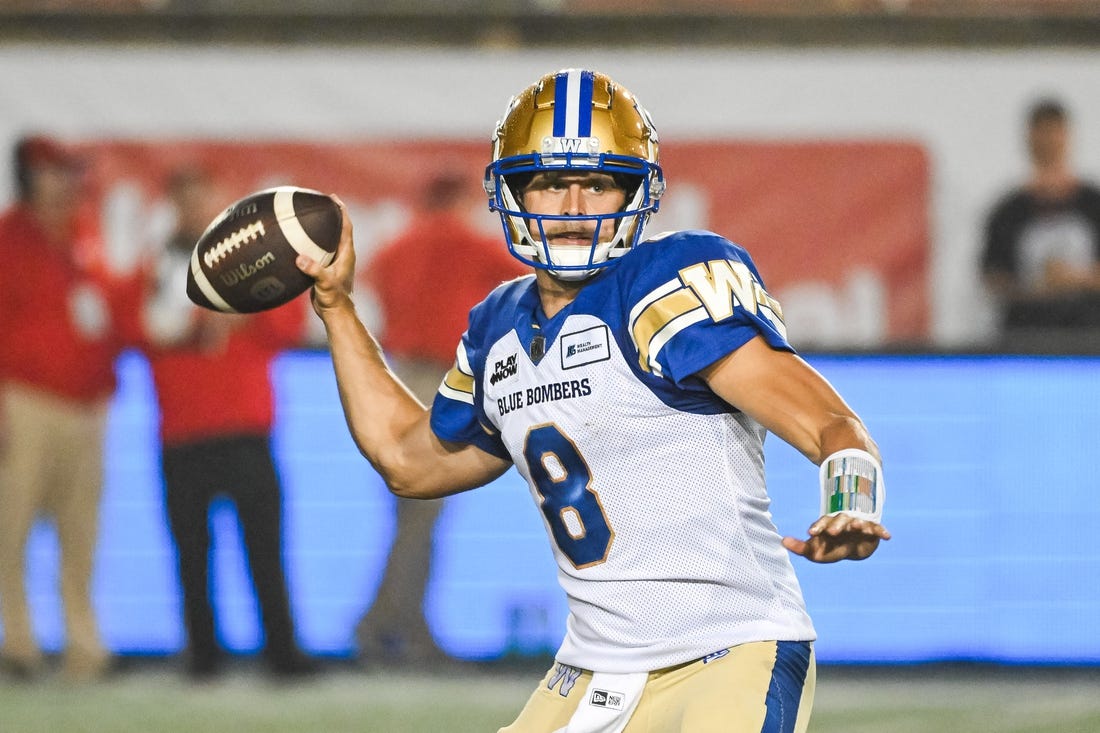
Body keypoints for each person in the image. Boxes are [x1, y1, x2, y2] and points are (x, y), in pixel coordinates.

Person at [298, 69, 890, 732]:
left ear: (638, 192)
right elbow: (409, 461)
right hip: (590, 669)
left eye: (600, 182)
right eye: (552, 182)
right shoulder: (499, 326)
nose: (576, 206)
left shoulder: (665, 285)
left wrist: (851, 503)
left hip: (728, 647)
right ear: (512, 190)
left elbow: (832, 424)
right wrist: (336, 306)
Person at [141, 165, 317, 680]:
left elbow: (288, 323)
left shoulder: (253, 259)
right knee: (192, 555)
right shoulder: (158, 264)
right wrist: (200, 319)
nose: (196, 210)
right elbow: (142, 327)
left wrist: (241, 309)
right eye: (186, 199)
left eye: (204, 198)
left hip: (245, 427)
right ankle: (203, 655)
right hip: (183, 430)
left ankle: (282, 654)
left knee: (264, 550)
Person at [356, 171, 527, 668]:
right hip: (445, 382)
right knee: (423, 513)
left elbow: (375, 292)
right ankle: (385, 624)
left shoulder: (397, 246)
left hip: (401, 376)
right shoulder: (470, 243)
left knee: (412, 513)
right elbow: (526, 288)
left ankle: (403, 624)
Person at [0, 135, 138, 682]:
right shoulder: (9, 237)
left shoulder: (86, 233)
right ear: (30, 178)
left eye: (70, 174)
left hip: (88, 405)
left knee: (81, 531)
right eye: (54, 173)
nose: (66, 185)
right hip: (27, 400)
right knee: (13, 526)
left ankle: (84, 645)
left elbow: (106, 311)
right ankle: (20, 642)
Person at [981, 97, 1100, 346]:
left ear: (1066, 136)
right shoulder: (1008, 211)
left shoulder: (1093, 204)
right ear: (1030, 138)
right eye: (1042, 132)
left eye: (1054, 132)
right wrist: (1037, 288)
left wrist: (1075, 278)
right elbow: (992, 275)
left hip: (1088, 336)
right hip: (1026, 335)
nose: (1048, 141)